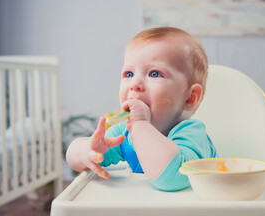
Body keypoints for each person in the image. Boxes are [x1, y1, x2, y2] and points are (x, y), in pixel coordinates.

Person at [66, 27, 217, 191]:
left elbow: (172, 178)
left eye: (154, 74)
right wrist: (86, 151)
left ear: (190, 97)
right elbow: (73, 156)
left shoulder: (192, 134)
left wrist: (141, 125)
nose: (134, 84)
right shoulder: (124, 133)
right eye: (129, 74)